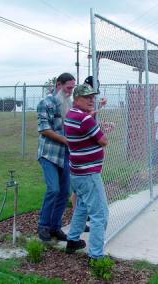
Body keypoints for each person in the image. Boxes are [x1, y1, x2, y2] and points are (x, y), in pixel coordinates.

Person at [64, 83, 109, 259]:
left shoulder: (71, 115)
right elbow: (103, 141)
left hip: (76, 172)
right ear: (76, 99)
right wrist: (101, 132)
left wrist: (96, 132)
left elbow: (88, 134)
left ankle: (72, 241)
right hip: (88, 174)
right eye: (86, 97)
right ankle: (96, 255)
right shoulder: (85, 119)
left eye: (92, 97)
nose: (91, 100)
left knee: (82, 207)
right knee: (100, 215)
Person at [36, 72, 76, 241]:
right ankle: (43, 225)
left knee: (64, 192)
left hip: (65, 155)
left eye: (73, 89)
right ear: (58, 84)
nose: (70, 92)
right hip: (49, 154)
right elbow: (45, 129)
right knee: (53, 189)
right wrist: (66, 141)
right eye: (68, 88)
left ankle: (55, 227)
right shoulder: (45, 103)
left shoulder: (69, 104)